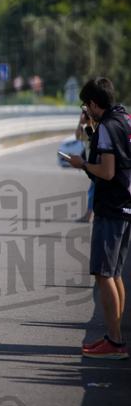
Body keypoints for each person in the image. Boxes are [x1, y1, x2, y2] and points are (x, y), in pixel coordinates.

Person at [69, 78, 131, 360]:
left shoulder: (106, 126)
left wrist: (81, 163)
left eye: (86, 106)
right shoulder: (125, 118)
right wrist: (93, 136)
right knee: (115, 274)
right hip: (126, 204)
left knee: (103, 273)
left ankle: (116, 343)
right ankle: (113, 336)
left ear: (94, 104)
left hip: (111, 206)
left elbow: (106, 171)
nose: (87, 111)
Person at [75, 107, 94, 223]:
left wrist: (90, 123)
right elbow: (78, 136)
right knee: (93, 189)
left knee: (93, 190)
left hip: (98, 162)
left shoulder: (98, 124)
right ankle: (89, 215)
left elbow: (95, 139)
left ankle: (89, 215)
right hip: (91, 163)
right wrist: (80, 122)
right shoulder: (86, 126)